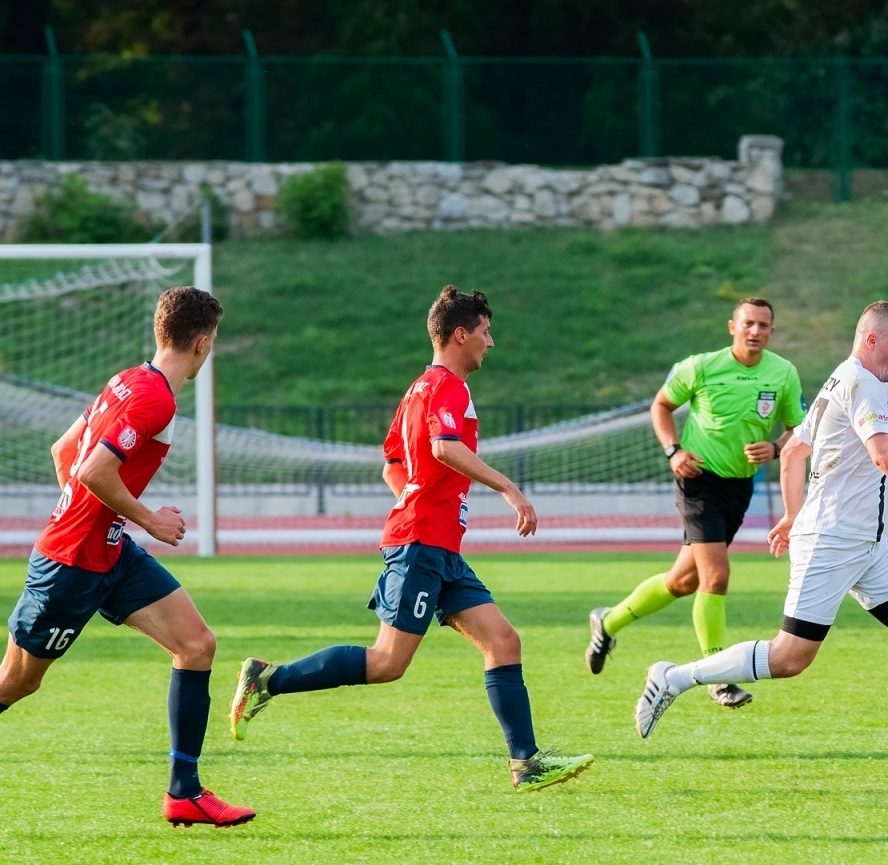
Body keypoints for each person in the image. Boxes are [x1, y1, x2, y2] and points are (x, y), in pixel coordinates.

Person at [230, 286, 593, 792]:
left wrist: (419, 500)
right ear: (461, 334)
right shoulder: (448, 386)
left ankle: (526, 762)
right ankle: (267, 679)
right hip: (423, 543)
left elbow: (392, 465)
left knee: (504, 641)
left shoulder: (417, 389)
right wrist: (508, 489)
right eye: (486, 332)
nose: (492, 342)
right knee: (386, 663)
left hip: (437, 544)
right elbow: (444, 449)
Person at [632, 301, 888, 775]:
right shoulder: (863, 383)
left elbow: (792, 453)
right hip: (832, 541)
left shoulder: (841, 376)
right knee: (789, 658)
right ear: (872, 339)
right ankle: (675, 677)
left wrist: (790, 514)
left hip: (866, 545)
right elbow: (884, 455)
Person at [0, 287, 253, 827]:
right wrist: (150, 520)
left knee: (196, 644)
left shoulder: (128, 379)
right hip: (70, 563)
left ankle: (184, 792)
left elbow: (63, 452)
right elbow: (91, 471)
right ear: (203, 342)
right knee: (17, 682)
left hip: (110, 553)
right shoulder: (155, 398)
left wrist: (100, 519)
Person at [585, 298, 805, 709]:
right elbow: (661, 405)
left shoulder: (783, 373)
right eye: (748, 323)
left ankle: (608, 621)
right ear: (731, 327)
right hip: (698, 480)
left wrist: (776, 448)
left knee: (683, 582)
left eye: (763, 325)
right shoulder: (701, 366)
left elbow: (799, 428)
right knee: (716, 577)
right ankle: (717, 676)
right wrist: (674, 451)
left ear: (772, 331)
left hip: (739, 488)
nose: (755, 331)